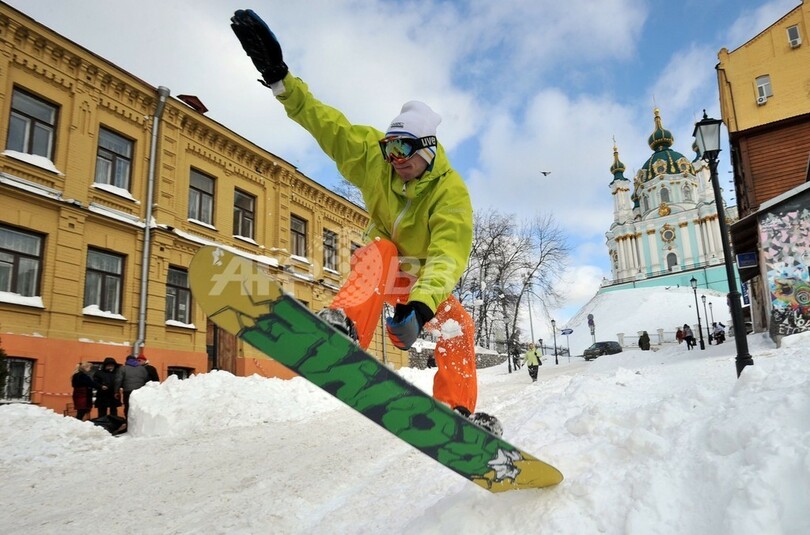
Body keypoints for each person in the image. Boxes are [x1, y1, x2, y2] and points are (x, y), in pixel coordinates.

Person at [229, 10, 499, 436]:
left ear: (428, 148)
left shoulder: (451, 195)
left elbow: (448, 255)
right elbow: (328, 125)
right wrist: (282, 81)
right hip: (379, 272)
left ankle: (456, 412)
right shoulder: (377, 161)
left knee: (457, 324)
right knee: (384, 248)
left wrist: (422, 305)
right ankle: (346, 325)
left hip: (421, 283)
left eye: (404, 150)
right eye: (389, 149)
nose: (395, 160)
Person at [120, 354, 149, 419]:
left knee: (127, 407)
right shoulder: (142, 369)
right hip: (139, 392)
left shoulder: (123, 368)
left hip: (127, 391)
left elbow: (118, 380)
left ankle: (128, 424)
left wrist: (116, 391)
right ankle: (137, 424)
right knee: (137, 407)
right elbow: (146, 379)